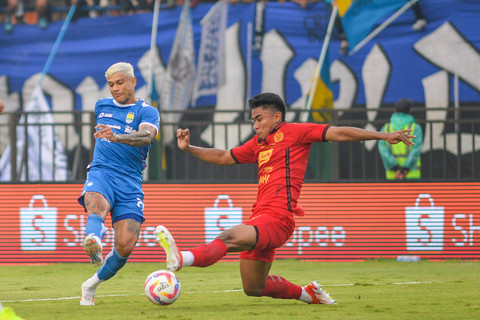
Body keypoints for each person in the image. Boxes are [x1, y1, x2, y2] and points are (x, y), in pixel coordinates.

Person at [155, 92, 414, 304]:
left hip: (278, 218)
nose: (255, 125)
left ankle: (182, 258)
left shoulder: (296, 132)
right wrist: (189, 148)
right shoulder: (259, 143)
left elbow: (338, 133)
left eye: (260, 118)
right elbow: (224, 157)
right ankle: (308, 294)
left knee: (228, 237)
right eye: (253, 120)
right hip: (260, 218)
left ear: (277, 116)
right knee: (254, 287)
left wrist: (382, 135)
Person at [77, 62, 160, 305]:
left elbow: (146, 136)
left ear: (133, 81)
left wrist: (118, 137)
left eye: (120, 82)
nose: (115, 88)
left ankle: (91, 284)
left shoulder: (148, 111)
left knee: (125, 245)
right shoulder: (101, 105)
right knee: (96, 204)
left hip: (130, 180)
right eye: (111, 84)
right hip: (102, 170)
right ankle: (94, 238)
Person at [378, 98, 423, 180]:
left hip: (393, 175)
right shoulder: (415, 128)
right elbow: (416, 150)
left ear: (394, 110)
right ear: (410, 111)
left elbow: (383, 151)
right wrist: (404, 169)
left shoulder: (386, 128)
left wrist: (396, 169)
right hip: (411, 174)